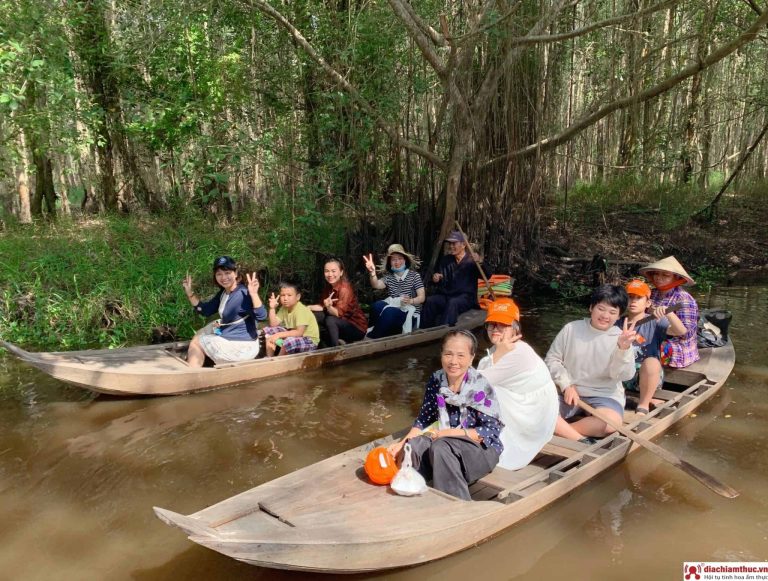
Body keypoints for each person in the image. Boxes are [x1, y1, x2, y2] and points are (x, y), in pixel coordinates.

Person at [387, 330, 503, 501]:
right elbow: (424, 419)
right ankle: (413, 493)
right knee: (415, 445)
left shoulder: (479, 387)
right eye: (448, 354)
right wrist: (402, 444)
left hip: (481, 451)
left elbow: (489, 432)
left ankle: (455, 505)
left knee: (441, 447)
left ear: (471, 358)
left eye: (461, 356)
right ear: (441, 354)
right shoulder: (436, 379)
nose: (453, 361)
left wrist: (447, 434)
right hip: (443, 442)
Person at [544, 284, 637, 443]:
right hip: (569, 392)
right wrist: (566, 384)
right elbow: (552, 360)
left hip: (604, 394)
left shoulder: (622, 337)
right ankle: (579, 439)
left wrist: (623, 348)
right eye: (601, 309)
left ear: (619, 316)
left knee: (610, 424)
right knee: (536, 409)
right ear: (591, 307)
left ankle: (561, 431)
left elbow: (623, 375)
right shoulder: (571, 329)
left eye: (612, 312)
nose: (605, 315)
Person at [477, 298, 559, 470]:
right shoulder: (502, 348)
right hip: (524, 405)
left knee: (488, 393)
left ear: (515, 328)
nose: (495, 329)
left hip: (533, 415)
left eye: (502, 324)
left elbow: (476, 384)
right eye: (492, 324)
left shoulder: (517, 352)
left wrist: (497, 355)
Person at [181, 256, 267, 367]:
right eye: (219, 274)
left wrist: (254, 294)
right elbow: (205, 311)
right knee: (202, 331)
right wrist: (189, 292)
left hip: (242, 347)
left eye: (227, 273)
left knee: (196, 342)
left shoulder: (243, 294)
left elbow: (262, 316)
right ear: (215, 276)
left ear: (235, 273)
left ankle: (192, 374)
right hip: (230, 335)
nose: (223, 277)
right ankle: (202, 358)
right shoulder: (224, 292)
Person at [618, 279, 686, 415]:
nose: (634, 301)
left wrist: (669, 313)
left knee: (652, 362)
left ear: (648, 303)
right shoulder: (617, 322)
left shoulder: (655, 322)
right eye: (630, 297)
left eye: (638, 298)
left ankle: (643, 405)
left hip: (648, 375)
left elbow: (681, 331)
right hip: (621, 373)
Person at [639, 256, 700, 368]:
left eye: (665, 275)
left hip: (677, 347)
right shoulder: (652, 293)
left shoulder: (684, 299)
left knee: (646, 347)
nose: (658, 277)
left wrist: (667, 314)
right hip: (652, 336)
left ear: (676, 278)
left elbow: (687, 334)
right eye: (656, 273)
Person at [420, 231, 485, 328]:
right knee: (431, 301)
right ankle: (422, 331)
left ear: (463, 245)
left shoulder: (472, 260)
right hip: (447, 295)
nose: (451, 246)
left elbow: (487, 276)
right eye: (450, 243)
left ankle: (444, 330)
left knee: (453, 302)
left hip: (465, 298)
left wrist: (480, 262)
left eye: (454, 243)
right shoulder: (446, 260)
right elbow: (443, 281)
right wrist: (437, 278)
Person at [363, 244, 426, 338]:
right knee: (376, 306)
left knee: (389, 311)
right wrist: (372, 273)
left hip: (410, 314)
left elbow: (422, 298)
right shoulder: (389, 277)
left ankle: (371, 338)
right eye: (393, 259)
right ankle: (371, 330)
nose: (397, 262)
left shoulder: (414, 276)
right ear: (390, 262)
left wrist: (411, 301)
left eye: (400, 258)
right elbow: (376, 284)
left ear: (405, 259)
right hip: (394, 309)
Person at [309, 258, 368, 346]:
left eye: (333, 271)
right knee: (313, 315)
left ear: (341, 272)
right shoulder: (329, 286)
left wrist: (329, 307)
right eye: (327, 271)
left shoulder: (345, 289)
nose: (330, 274)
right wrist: (307, 308)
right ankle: (315, 343)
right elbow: (322, 306)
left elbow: (337, 313)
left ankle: (334, 350)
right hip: (340, 323)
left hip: (356, 328)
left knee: (330, 319)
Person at [262, 281, 321, 356]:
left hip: (309, 341)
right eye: (283, 295)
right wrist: (272, 308)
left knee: (288, 341)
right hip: (294, 335)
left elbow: (299, 332)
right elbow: (273, 324)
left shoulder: (301, 310)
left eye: (289, 295)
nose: (285, 298)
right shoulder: (284, 308)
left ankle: (279, 362)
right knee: (269, 331)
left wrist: (279, 335)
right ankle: (269, 358)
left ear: (298, 297)